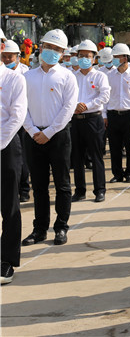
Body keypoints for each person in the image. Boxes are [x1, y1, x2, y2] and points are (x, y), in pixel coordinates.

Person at [21, 30, 78, 247]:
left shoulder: (67, 77)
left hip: (58, 136)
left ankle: (61, 226)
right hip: (33, 135)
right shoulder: (28, 77)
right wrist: (32, 130)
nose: (52, 51)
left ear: (63, 53)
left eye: (57, 49)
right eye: (49, 47)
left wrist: (49, 132)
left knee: (62, 184)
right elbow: (22, 107)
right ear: (41, 47)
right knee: (39, 186)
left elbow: (68, 108)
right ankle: (40, 229)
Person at [1, 29, 28, 284]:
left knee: (9, 205)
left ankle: (6, 260)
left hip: (6, 146)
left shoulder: (13, 79)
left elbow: (16, 116)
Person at [71, 39, 111, 203]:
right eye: (81, 56)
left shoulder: (100, 76)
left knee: (96, 156)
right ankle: (80, 190)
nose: (83, 59)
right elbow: (66, 95)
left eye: (87, 56)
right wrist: (75, 106)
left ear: (94, 58)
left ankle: (99, 190)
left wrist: (86, 106)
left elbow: (105, 96)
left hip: (93, 119)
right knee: (77, 157)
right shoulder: (72, 76)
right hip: (75, 120)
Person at [106, 43, 130, 183]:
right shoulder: (109, 75)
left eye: (117, 56)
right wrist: (105, 115)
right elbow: (106, 97)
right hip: (113, 114)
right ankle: (117, 173)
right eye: (114, 56)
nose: (115, 59)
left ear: (125, 57)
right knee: (115, 146)